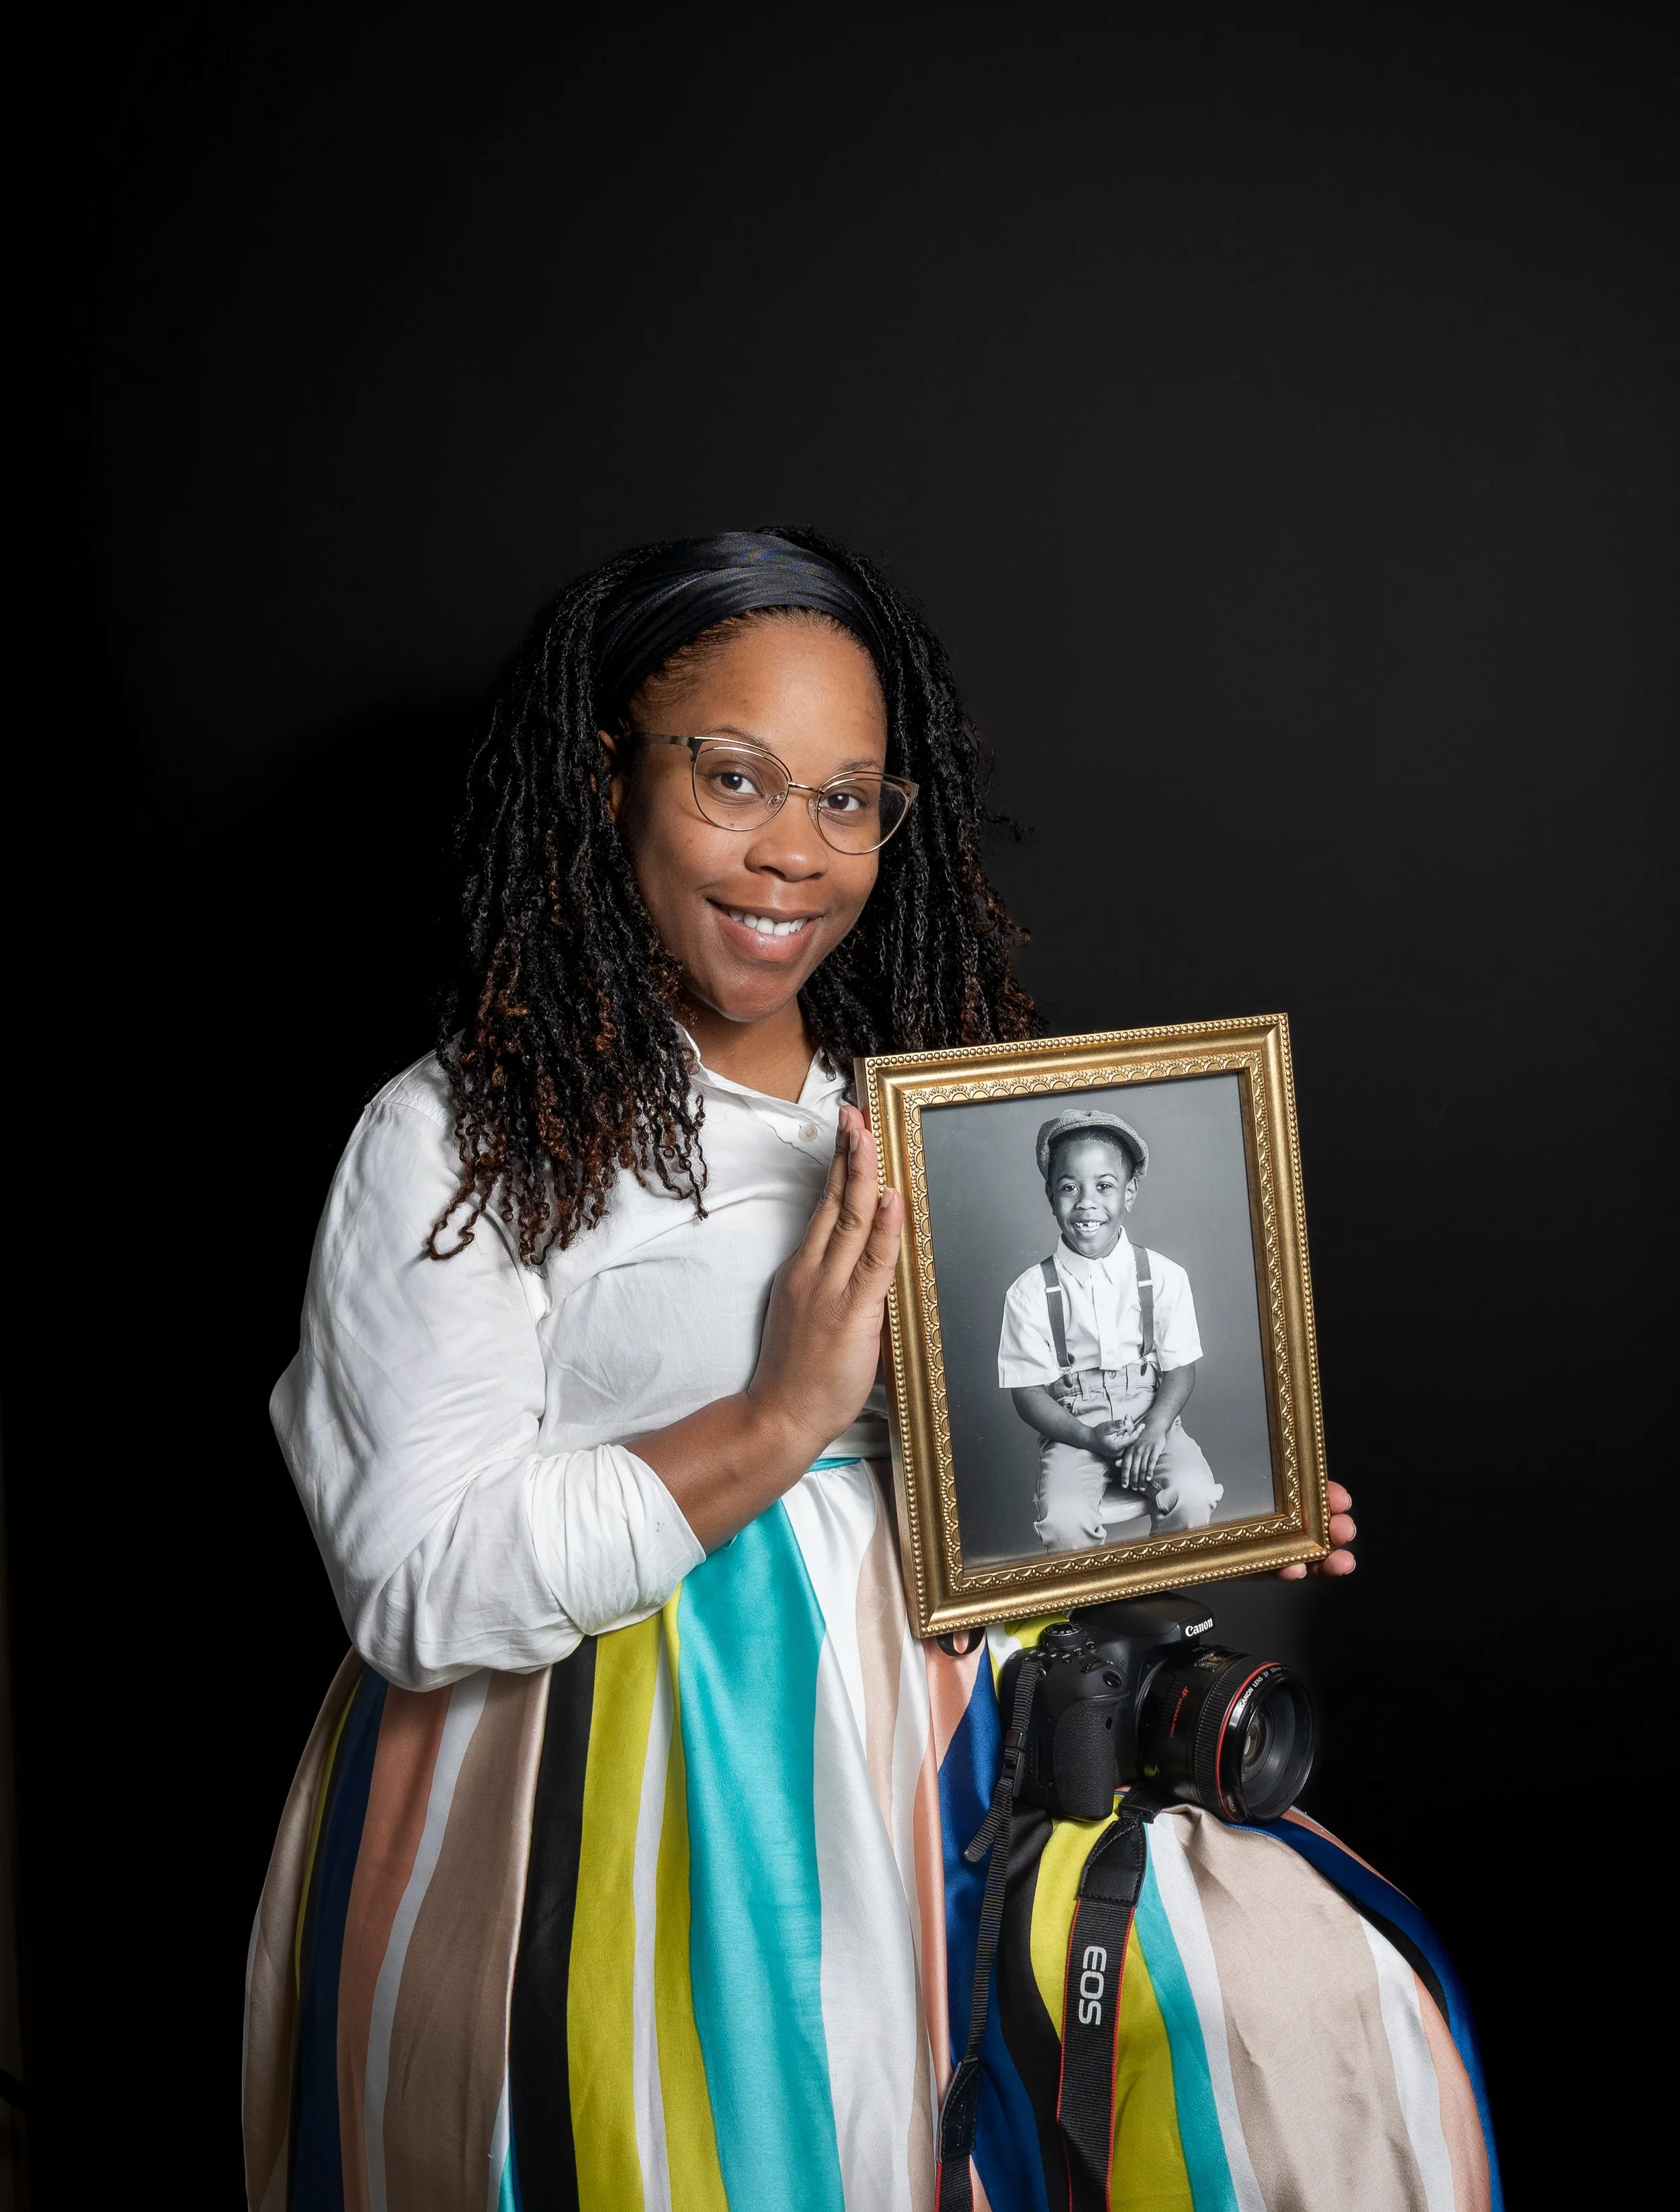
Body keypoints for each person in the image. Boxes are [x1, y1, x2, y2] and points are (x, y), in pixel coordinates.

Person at [241, 531, 1503, 2212]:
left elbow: (997, 1479)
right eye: (737, 778)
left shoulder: (933, 1110)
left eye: (849, 799)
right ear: (607, 773)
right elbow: (415, 1585)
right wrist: (773, 1420)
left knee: (1329, 2046)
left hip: (957, 1771)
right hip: (630, 1823)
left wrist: (1198, 1514)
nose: (794, 853)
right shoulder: (456, 1136)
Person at [999, 1109, 1223, 1551]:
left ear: (1130, 1193)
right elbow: (1026, 1394)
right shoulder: (1028, 1292)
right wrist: (1086, 1437)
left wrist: (1157, 1427)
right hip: (1074, 1425)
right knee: (1063, 1522)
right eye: (1069, 1187)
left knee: (1193, 1496)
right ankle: (1090, 1611)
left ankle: (1157, 1593)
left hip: (1150, 1415)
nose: (1086, 1202)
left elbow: (1179, 1370)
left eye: (1104, 1186)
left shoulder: (1164, 1276)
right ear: (1050, 1194)